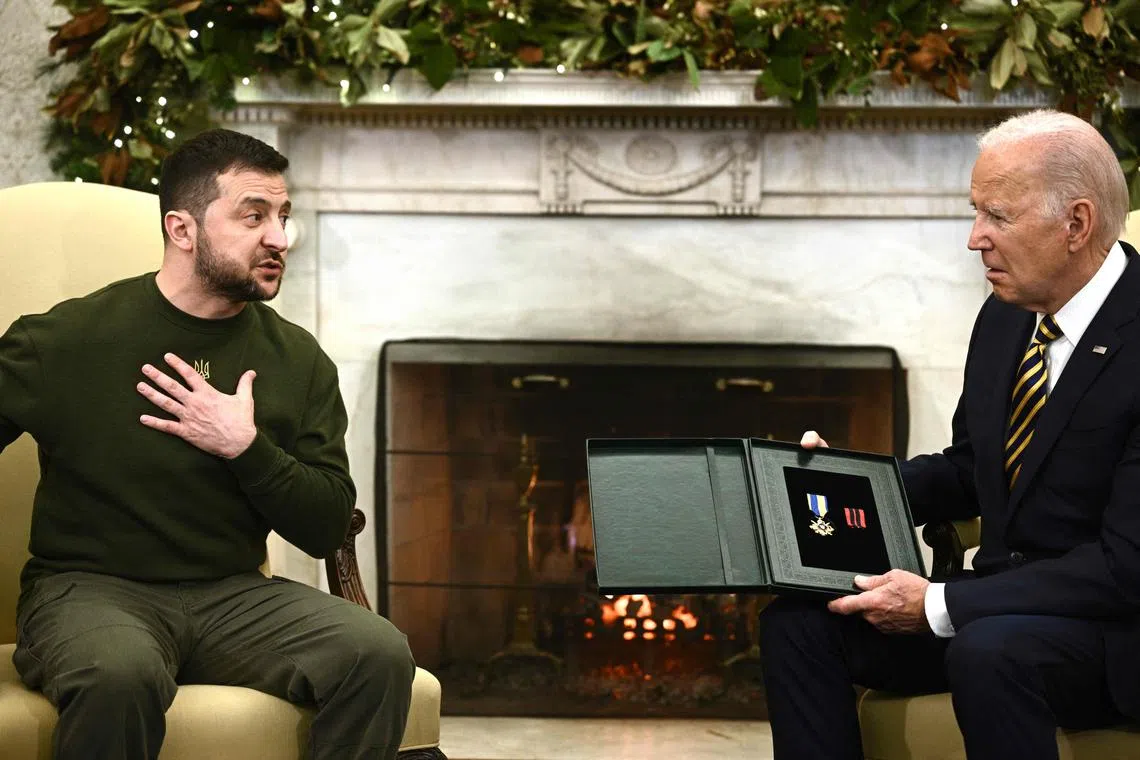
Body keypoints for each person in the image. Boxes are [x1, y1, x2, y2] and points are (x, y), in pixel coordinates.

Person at [0, 129, 415, 760]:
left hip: (232, 597)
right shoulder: (65, 340)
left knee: (377, 653)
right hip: (90, 590)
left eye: (283, 217)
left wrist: (246, 447)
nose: (279, 238)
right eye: (254, 216)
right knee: (119, 674)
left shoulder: (299, 360)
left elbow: (327, 523)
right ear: (182, 229)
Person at [759, 109, 1140, 760]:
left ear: (1076, 224)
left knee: (987, 651)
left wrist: (939, 603)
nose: (974, 239)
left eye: (998, 216)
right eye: (975, 212)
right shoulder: (1006, 316)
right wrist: (840, 481)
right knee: (799, 623)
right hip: (993, 614)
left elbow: (1123, 567)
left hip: (1110, 632)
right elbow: (970, 469)